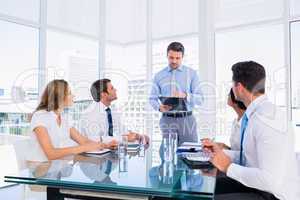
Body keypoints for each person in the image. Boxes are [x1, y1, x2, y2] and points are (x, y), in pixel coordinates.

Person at [203, 61, 300, 200]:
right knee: (206, 187)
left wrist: (227, 167)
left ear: (239, 87)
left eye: (232, 84)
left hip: (273, 195)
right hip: (257, 186)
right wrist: (221, 153)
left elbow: (270, 181)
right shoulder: (256, 114)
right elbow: (249, 157)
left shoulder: (267, 120)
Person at [28, 79, 116, 162]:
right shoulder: (40, 116)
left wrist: (105, 145)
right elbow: (51, 154)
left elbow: (83, 141)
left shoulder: (64, 118)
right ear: (60, 97)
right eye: (69, 93)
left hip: (57, 168)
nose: (73, 96)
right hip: (40, 169)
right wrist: (84, 147)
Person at [149, 42, 203, 146]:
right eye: (171, 57)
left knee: (189, 153)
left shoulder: (192, 74)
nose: (174, 61)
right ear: (167, 56)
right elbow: (152, 98)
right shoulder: (158, 76)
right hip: (167, 119)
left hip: (187, 120)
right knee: (168, 153)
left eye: (177, 58)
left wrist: (186, 95)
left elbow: (200, 99)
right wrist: (159, 108)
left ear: (182, 57)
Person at [79, 79, 149, 146]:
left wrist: (138, 136)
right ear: (103, 94)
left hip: (106, 151)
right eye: (112, 88)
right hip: (92, 155)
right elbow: (96, 140)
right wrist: (124, 138)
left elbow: (120, 128)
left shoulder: (110, 109)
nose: (115, 90)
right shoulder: (91, 114)